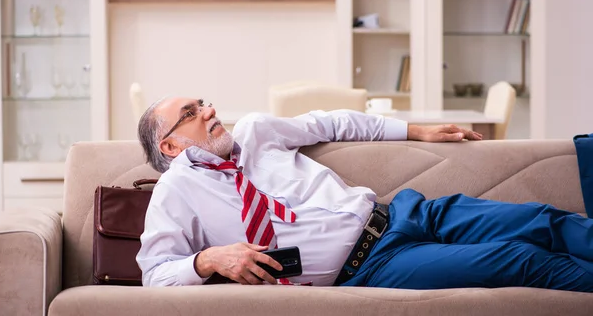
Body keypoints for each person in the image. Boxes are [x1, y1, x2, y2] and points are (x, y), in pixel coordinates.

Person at [136, 97, 593, 291]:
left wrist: (416, 130)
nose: (210, 110)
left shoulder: (256, 131)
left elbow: (332, 122)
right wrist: (209, 260)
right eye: (191, 112)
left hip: (402, 213)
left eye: (203, 101)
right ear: (170, 146)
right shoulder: (176, 193)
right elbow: (154, 274)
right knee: (522, 259)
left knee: (540, 220)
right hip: (371, 265)